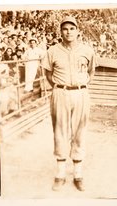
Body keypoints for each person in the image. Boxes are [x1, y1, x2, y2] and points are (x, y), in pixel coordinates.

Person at [43, 16, 96, 191]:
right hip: (60, 92)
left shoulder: (87, 50)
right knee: (60, 131)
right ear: (61, 31)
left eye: (72, 28)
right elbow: (48, 74)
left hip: (81, 92)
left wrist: (80, 86)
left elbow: (91, 72)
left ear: (77, 31)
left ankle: (78, 174)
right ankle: (60, 174)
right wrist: (60, 87)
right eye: (65, 29)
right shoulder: (53, 51)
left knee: (80, 132)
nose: (68, 32)